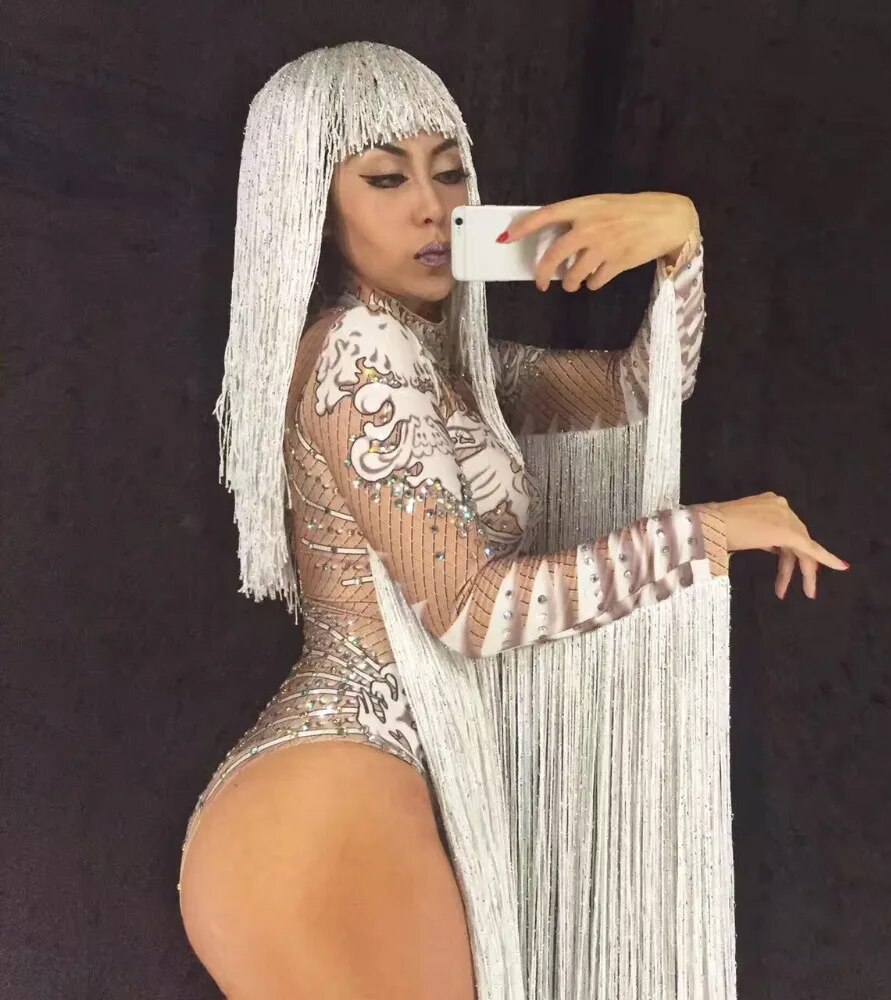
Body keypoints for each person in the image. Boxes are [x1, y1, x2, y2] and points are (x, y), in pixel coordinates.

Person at [177, 42, 848, 1000]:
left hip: (370, 790)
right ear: (313, 208)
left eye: (450, 173)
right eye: (385, 179)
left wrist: (678, 240)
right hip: (328, 807)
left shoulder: (453, 368)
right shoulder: (362, 351)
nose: (432, 207)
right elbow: (470, 610)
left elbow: (640, 394)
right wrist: (702, 534)